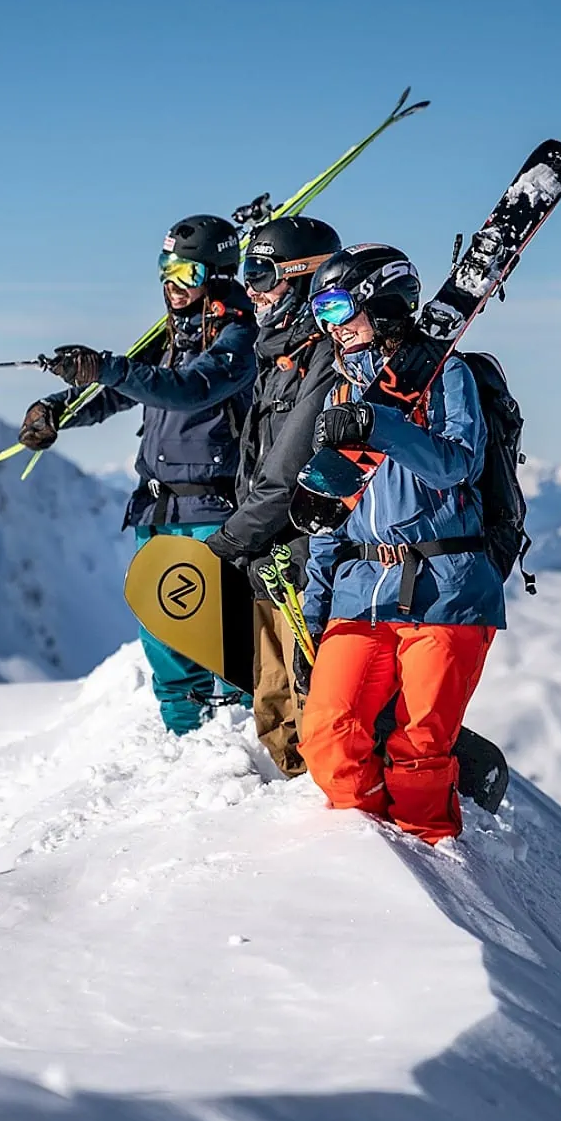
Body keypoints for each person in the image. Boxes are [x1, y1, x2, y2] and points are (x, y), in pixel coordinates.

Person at [296, 244, 506, 844]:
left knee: (421, 749)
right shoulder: (342, 396)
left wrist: (378, 423)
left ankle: (430, 863)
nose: (331, 328)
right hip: (360, 593)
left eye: (338, 309)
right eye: (322, 315)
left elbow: (455, 466)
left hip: (448, 591)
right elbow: (331, 515)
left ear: (382, 305)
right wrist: (314, 612)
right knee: (327, 734)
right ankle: (370, 851)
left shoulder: (450, 377)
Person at [17, 214, 258, 734]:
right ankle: (184, 739)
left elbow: (188, 389)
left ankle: (244, 741)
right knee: (164, 635)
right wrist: (59, 409)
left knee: (224, 636)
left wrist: (105, 366)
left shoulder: (239, 340)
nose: (172, 287)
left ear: (216, 276)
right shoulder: (171, 335)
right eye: (165, 271)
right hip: (156, 507)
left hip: (214, 509)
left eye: (187, 275)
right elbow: (121, 388)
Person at [201, 216, 341, 776]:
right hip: (268, 557)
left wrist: (232, 539)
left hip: (304, 559)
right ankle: (289, 799)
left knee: (312, 700)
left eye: (262, 274)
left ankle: (328, 826)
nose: (252, 289)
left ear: (303, 279)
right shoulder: (277, 356)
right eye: (247, 273)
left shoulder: (327, 360)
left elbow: (290, 470)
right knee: (273, 701)